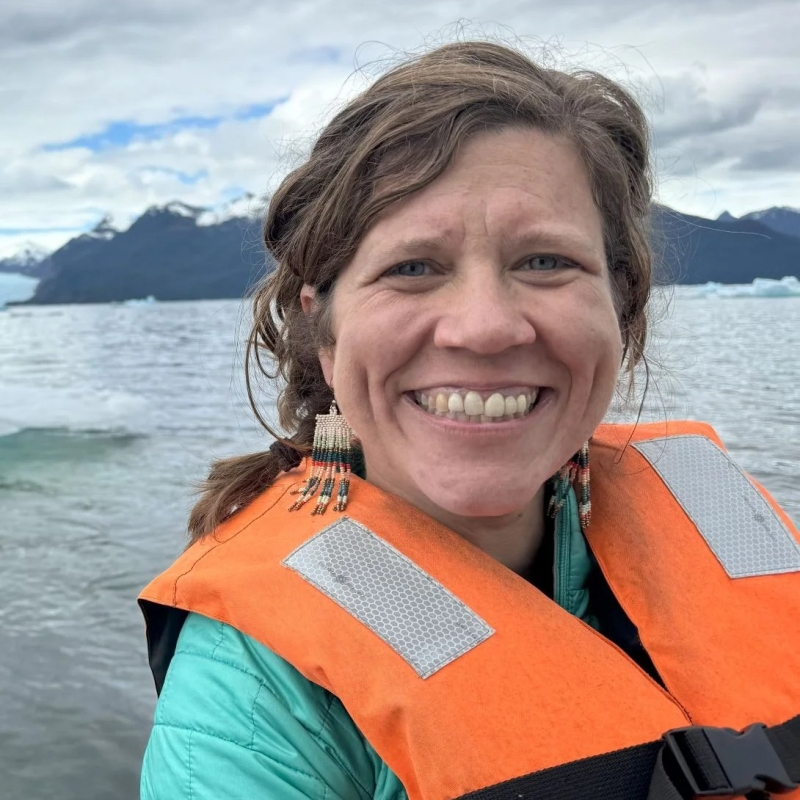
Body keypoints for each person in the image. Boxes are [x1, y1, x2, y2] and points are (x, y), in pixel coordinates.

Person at [138, 41, 800, 800]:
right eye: (411, 268)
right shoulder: (256, 695)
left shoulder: (725, 515)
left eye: (546, 261)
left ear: (621, 305)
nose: (485, 328)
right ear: (323, 334)